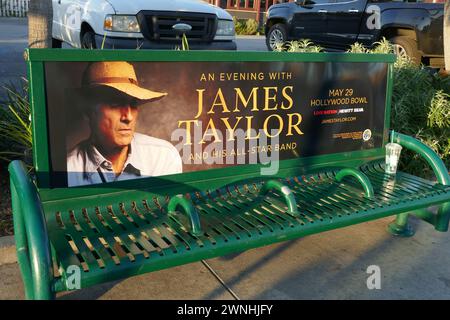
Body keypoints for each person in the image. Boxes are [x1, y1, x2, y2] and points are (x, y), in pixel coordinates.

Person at [67, 61, 182, 187]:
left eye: (133, 104)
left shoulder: (163, 157)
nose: (129, 117)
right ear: (88, 112)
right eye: (115, 104)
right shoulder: (68, 169)